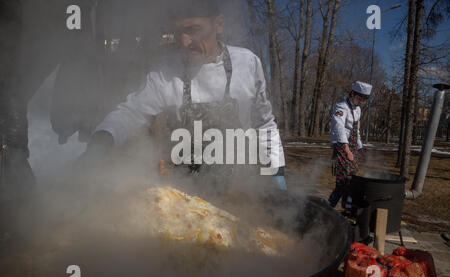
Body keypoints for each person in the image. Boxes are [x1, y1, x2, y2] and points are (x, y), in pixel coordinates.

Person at [85, 0, 287, 192]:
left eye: (192, 30)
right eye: (177, 33)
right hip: (186, 191)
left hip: (239, 188)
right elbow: (131, 112)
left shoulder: (248, 64)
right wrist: (102, 139)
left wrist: (276, 173)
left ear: (218, 24)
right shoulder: (165, 71)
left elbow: (264, 125)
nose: (184, 42)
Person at [328, 81, 372, 208]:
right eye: (359, 98)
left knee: (351, 179)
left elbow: (356, 130)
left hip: (352, 148)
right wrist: (347, 150)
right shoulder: (341, 107)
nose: (361, 102)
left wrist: (360, 147)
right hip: (342, 147)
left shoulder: (358, 110)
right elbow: (339, 128)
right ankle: (329, 206)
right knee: (343, 180)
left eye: (364, 100)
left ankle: (347, 208)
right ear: (352, 93)